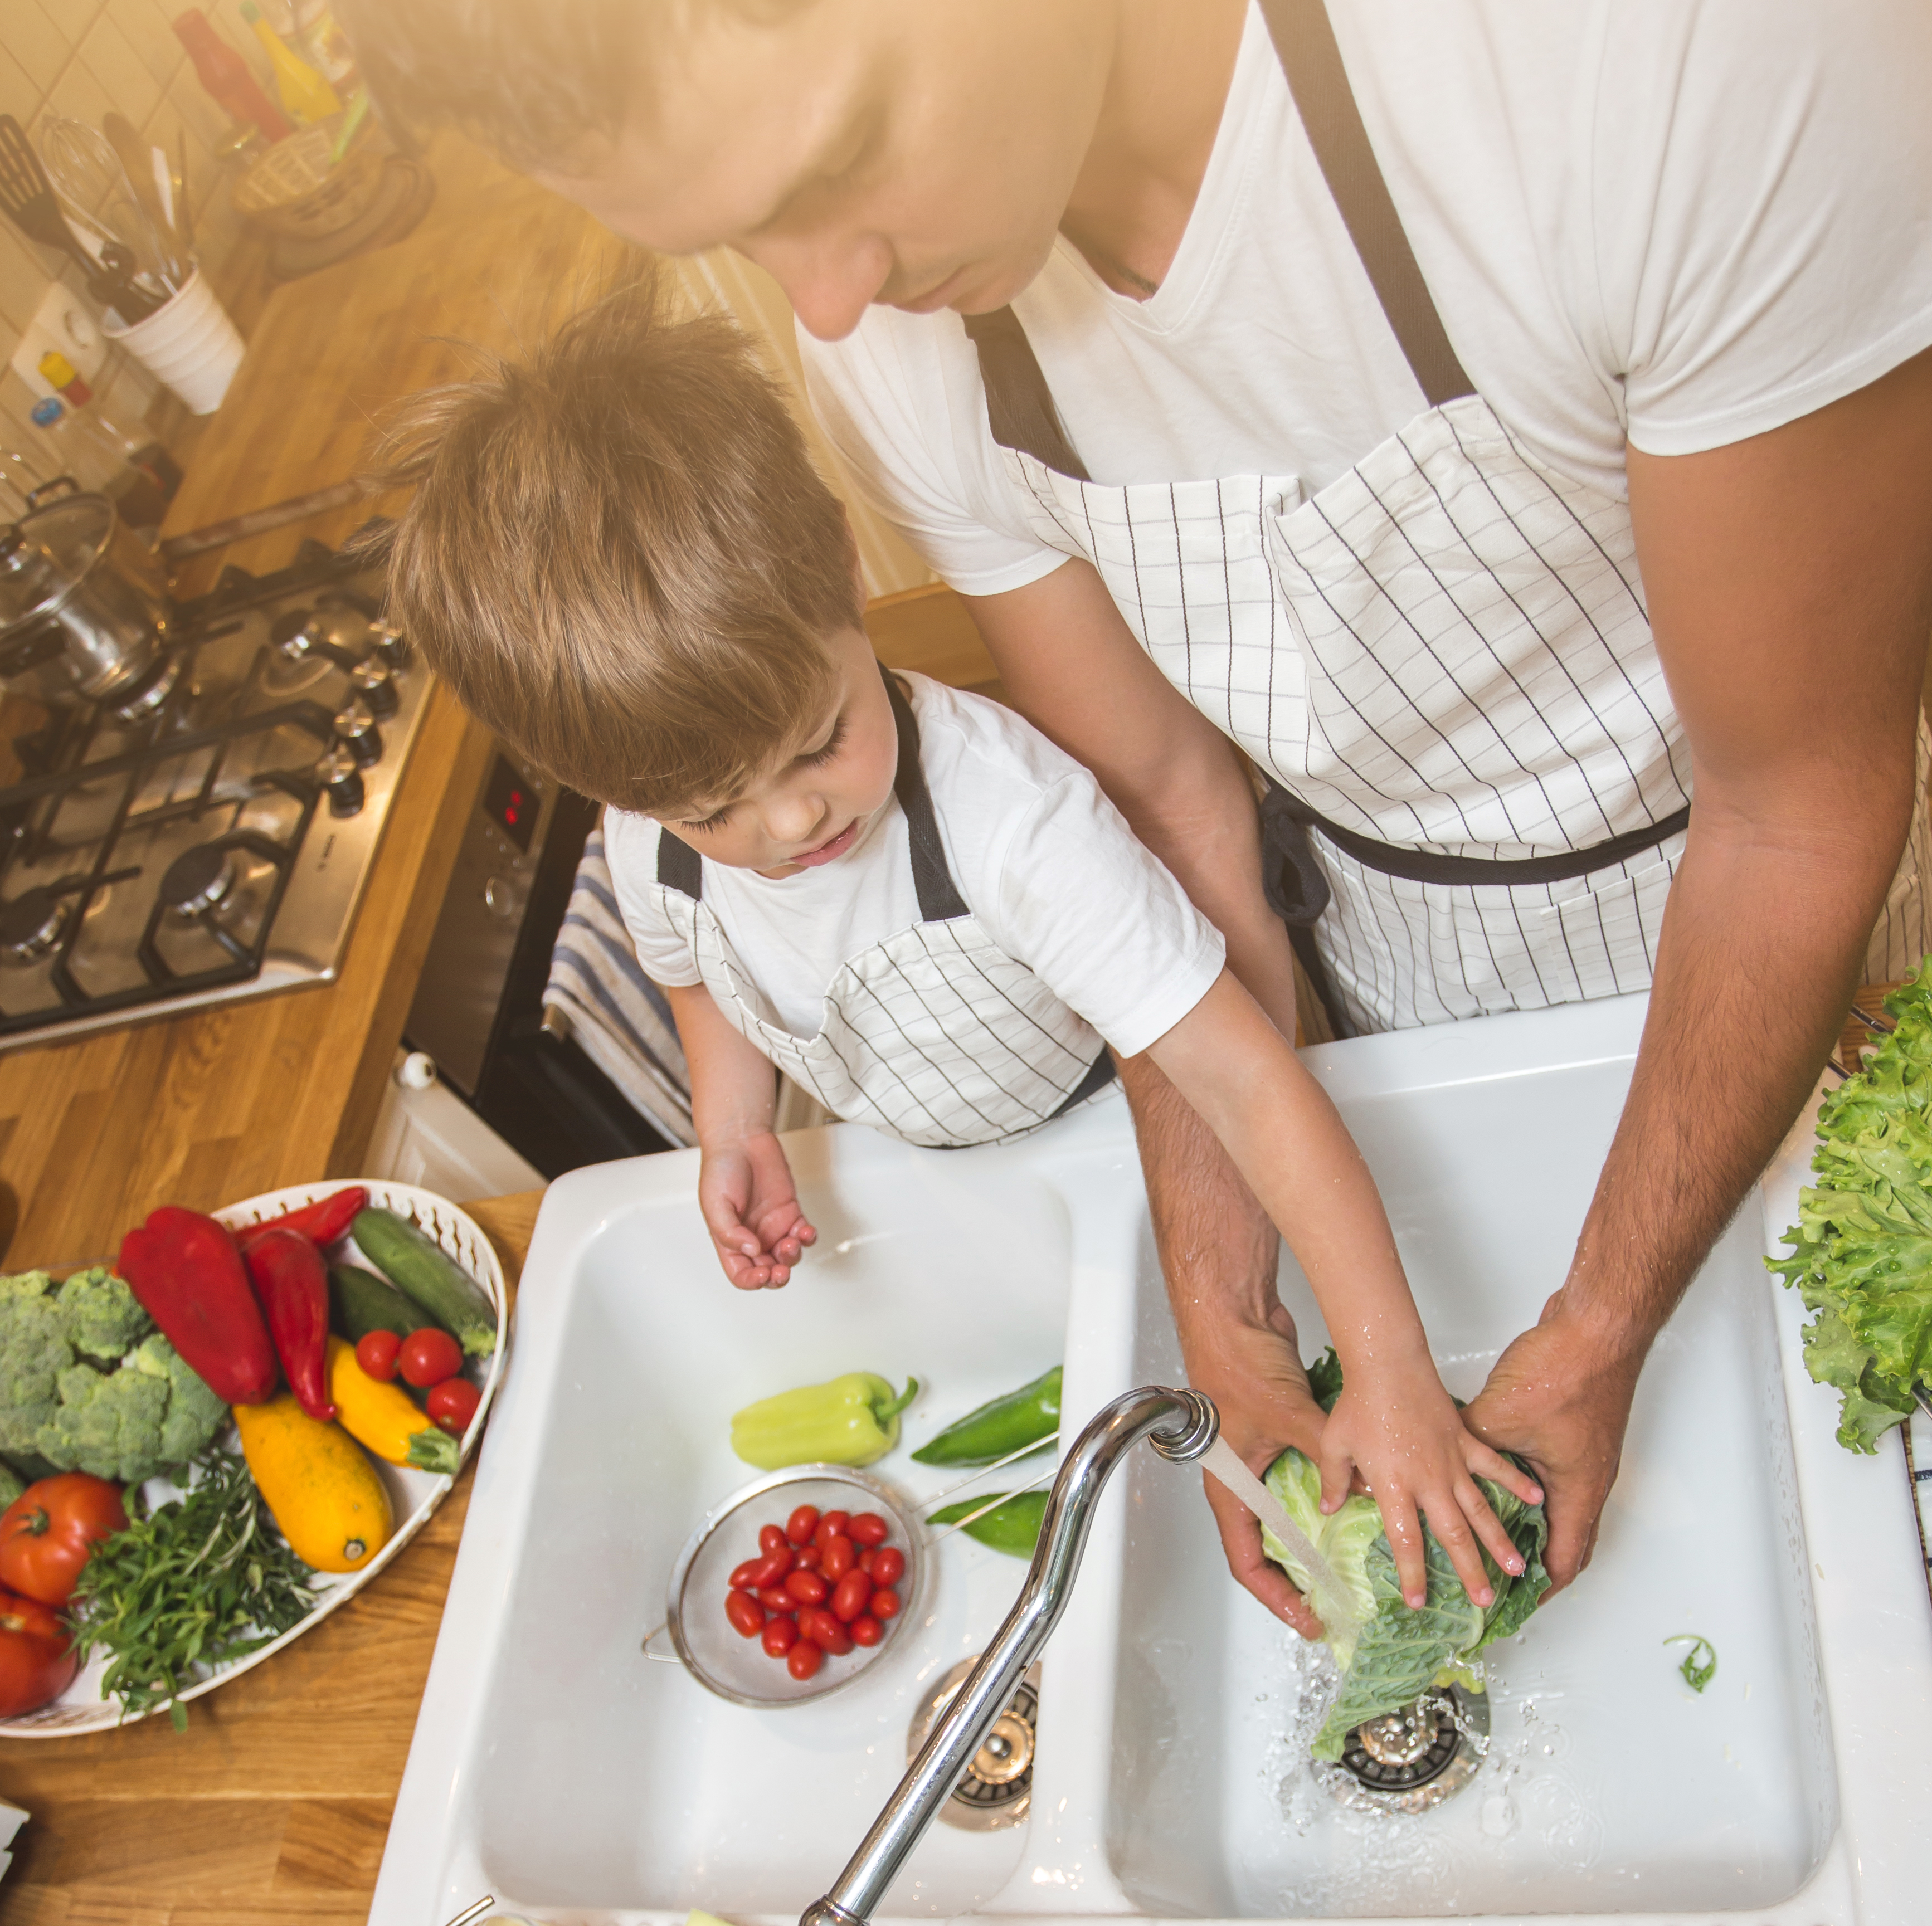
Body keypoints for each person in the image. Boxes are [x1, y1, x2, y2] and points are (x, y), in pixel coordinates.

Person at [340, 0, 1932, 1623]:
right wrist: (1228, 1316)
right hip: (1367, 930)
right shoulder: (901, 331)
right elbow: (1171, 801)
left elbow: (1791, 813)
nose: (832, 308)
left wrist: (1594, 1330)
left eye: (837, 160)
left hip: (1734, 916)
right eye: (746, 243)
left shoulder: (1679, 54)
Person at [378, 291, 1542, 1609]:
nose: (788, 822)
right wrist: (734, 1119)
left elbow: (1249, 1085)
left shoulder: (1009, 822)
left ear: (843, 571)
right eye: (714, 810)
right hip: (933, 1169)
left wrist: (1388, 1365)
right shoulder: (648, 830)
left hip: (1135, 1132)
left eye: (819, 743)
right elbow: (687, 963)